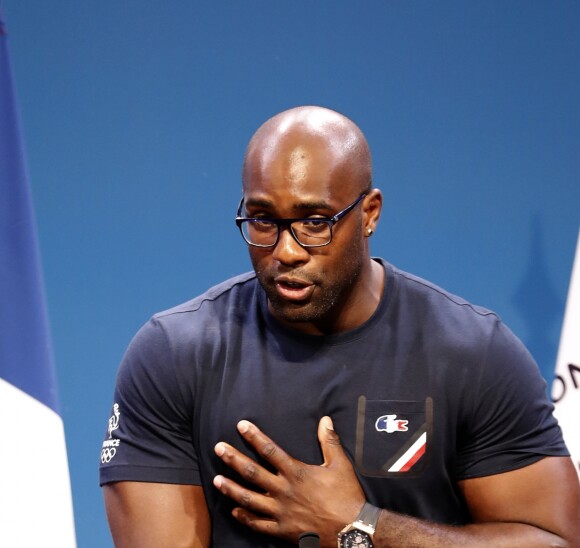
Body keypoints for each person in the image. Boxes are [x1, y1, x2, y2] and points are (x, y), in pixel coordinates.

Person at [100, 106, 580, 548]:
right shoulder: (173, 356)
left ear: (369, 214)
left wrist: (362, 525)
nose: (286, 251)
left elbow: (555, 541)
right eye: (263, 219)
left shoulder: (473, 354)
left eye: (314, 221)